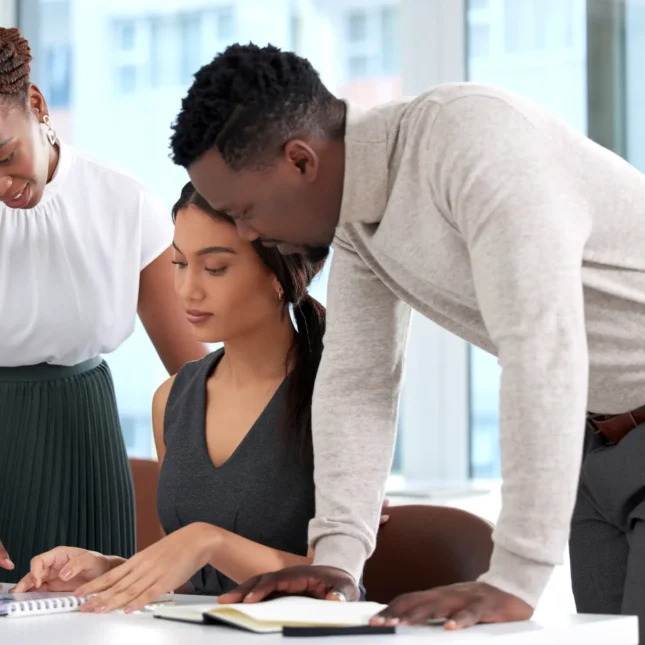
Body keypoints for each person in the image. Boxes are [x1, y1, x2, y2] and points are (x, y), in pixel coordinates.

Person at [167, 42, 645, 632]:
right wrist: (336, 561)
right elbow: (360, 381)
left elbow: (541, 347)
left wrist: (516, 577)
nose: (248, 232)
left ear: (299, 161)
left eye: (244, 210)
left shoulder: (473, 144)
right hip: (595, 441)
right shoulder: (354, 224)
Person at [11, 182, 366, 612]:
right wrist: (111, 571)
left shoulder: (335, 398)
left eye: (214, 268)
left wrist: (208, 540)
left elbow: (335, 583)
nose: (187, 290)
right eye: (179, 263)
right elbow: (191, 580)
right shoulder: (172, 399)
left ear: (280, 271)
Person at [0, 28, 206, 584]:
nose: (2, 184)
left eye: (5, 155)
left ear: (38, 106)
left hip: (84, 437)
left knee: (94, 609)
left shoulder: (122, 200)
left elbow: (196, 375)